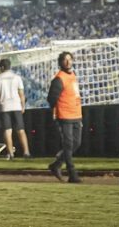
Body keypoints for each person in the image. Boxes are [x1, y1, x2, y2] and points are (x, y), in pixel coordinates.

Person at [46, 52, 82, 183]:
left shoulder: (73, 75)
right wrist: (57, 111)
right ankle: (73, 174)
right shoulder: (58, 79)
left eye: (69, 59)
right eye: (65, 60)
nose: (68, 62)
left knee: (76, 143)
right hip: (65, 115)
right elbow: (51, 98)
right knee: (68, 145)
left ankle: (56, 165)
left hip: (76, 114)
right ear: (60, 62)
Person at [0, 58, 30, 160]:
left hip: (4, 106)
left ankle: (11, 154)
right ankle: (26, 152)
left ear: (2, 67)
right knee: (21, 130)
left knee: (7, 131)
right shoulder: (17, 77)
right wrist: (23, 106)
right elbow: (21, 94)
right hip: (16, 106)